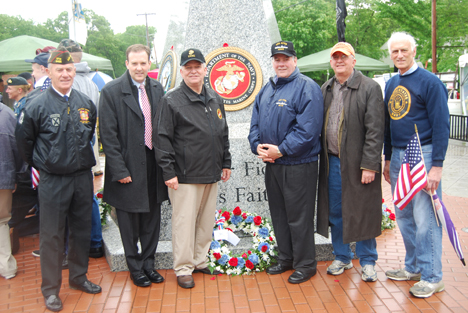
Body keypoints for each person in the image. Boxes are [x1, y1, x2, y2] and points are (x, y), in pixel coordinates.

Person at [15, 47, 101, 312]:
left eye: (68, 69)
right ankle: (51, 290)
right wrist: (45, 163)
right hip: (52, 180)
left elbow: (89, 137)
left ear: (74, 71)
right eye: (59, 69)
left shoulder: (85, 103)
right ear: (49, 72)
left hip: (81, 177)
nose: (65, 73)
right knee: (52, 236)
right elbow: (24, 143)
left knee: (81, 230)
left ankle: (78, 277)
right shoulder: (36, 104)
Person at [155, 48, 231, 289]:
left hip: (211, 172)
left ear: (205, 69)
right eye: (188, 67)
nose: (193, 70)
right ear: (182, 71)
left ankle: (199, 260)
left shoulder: (215, 98)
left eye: (197, 66)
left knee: (205, 222)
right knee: (184, 223)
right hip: (185, 176)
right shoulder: (171, 100)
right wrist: (168, 172)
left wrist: (226, 161)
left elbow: (223, 133)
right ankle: (183, 268)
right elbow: (162, 138)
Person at [248, 41, 323, 284]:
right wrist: (256, 145)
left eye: (286, 58)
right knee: (279, 215)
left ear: (295, 60)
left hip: (299, 165)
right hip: (274, 165)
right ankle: (286, 258)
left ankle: (305, 264)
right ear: (272, 61)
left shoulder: (307, 88)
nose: (281, 63)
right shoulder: (266, 89)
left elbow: (308, 130)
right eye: (277, 59)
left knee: (298, 217)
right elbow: (255, 124)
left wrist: (282, 150)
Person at [383, 32, 449, 298]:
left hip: (424, 153)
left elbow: (442, 125)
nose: (399, 55)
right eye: (395, 51)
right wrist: (387, 158)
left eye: (404, 50)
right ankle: (413, 267)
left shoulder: (431, 83)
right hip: (399, 155)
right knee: (404, 216)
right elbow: (389, 124)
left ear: (413, 51)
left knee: (426, 219)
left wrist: (437, 166)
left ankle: (433, 276)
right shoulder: (390, 84)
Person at [99, 44, 168, 288]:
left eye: (143, 63)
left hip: (153, 164)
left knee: (152, 218)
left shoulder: (158, 88)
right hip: (127, 167)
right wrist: (119, 170)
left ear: (149, 64)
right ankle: (135, 267)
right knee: (129, 222)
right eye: (134, 63)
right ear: (127, 64)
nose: (139, 68)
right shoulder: (111, 91)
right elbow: (108, 135)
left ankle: (149, 264)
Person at [316, 42, 385, 282]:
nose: (339, 61)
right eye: (335, 57)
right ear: (331, 62)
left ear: (353, 60)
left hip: (359, 164)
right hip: (332, 162)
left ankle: (367, 261)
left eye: (344, 57)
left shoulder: (370, 87)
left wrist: (370, 165)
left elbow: (375, 130)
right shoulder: (325, 88)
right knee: (336, 212)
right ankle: (342, 256)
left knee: (363, 211)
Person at [60, 38, 103, 259]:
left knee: (73, 196)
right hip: (89, 140)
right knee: (89, 194)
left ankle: (77, 247)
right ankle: (95, 241)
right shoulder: (93, 82)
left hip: (72, 145)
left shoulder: (69, 80)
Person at [0, 102, 22, 280]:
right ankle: (6, 267)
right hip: (4, 177)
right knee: (2, 222)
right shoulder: (7, 114)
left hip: (4, 176)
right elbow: (18, 148)